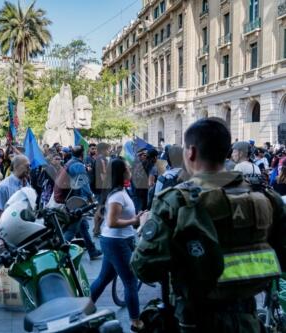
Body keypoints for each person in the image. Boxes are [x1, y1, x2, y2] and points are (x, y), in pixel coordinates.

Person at [131, 118, 286, 333]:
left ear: (191, 152)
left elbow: (144, 268)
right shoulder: (267, 198)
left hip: (193, 323)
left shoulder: (175, 201)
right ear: (227, 151)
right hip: (248, 322)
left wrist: (146, 227)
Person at [90, 158, 145, 332]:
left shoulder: (120, 191)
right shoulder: (117, 195)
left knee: (104, 278)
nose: (130, 169)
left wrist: (135, 218)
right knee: (130, 280)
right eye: (127, 167)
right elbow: (112, 222)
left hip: (117, 241)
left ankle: (83, 310)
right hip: (116, 242)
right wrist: (134, 220)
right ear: (121, 173)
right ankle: (135, 321)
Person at [53, 145, 102, 260]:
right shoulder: (77, 165)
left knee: (83, 226)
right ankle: (59, 254)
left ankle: (92, 250)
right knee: (72, 229)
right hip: (76, 201)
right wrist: (92, 199)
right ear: (82, 154)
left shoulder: (70, 162)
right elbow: (84, 184)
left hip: (72, 200)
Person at [0, 155, 31, 222]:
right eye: (27, 166)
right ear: (17, 166)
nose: (29, 169)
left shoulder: (26, 183)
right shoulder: (3, 186)